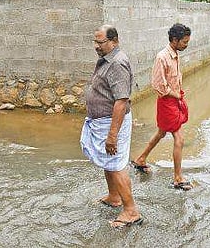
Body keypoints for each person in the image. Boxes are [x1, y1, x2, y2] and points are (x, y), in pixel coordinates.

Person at [80, 25, 142, 228]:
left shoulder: (117, 62)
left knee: (115, 164)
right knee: (109, 162)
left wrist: (112, 135)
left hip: (112, 122)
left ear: (114, 40)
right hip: (102, 121)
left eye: (100, 42)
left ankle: (131, 211)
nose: (96, 46)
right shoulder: (107, 59)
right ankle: (114, 197)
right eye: (95, 42)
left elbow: (121, 101)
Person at [131, 23, 192, 191]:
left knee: (161, 133)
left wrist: (178, 95)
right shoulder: (162, 57)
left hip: (174, 101)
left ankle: (141, 159)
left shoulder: (175, 54)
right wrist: (176, 95)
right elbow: (158, 86)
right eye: (184, 42)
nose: (186, 45)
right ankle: (178, 177)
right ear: (174, 40)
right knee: (179, 139)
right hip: (167, 102)